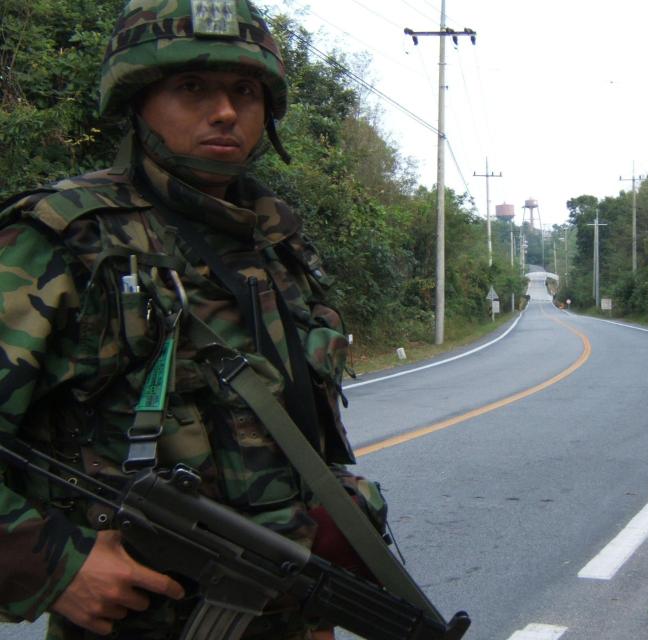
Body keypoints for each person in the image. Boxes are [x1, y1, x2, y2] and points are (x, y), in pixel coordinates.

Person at [0, 1, 386, 638]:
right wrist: (57, 568)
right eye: (191, 87)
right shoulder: (64, 242)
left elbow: (301, 443)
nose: (227, 111)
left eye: (244, 90)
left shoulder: (276, 249)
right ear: (138, 99)